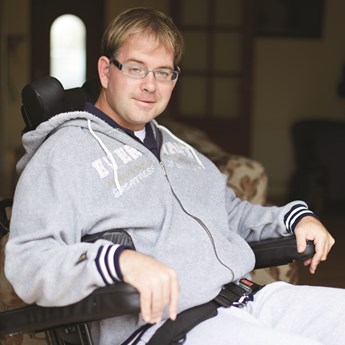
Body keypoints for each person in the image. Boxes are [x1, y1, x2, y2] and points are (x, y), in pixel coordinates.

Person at [4, 7, 344, 345]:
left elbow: (230, 212)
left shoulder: (174, 146)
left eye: (163, 73)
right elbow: (29, 261)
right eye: (136, 68)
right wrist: (118, 261)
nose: (150, 85)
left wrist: (292, 218)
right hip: (167, 327)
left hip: (246, 298)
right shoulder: (64, 153)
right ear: (106, 72)